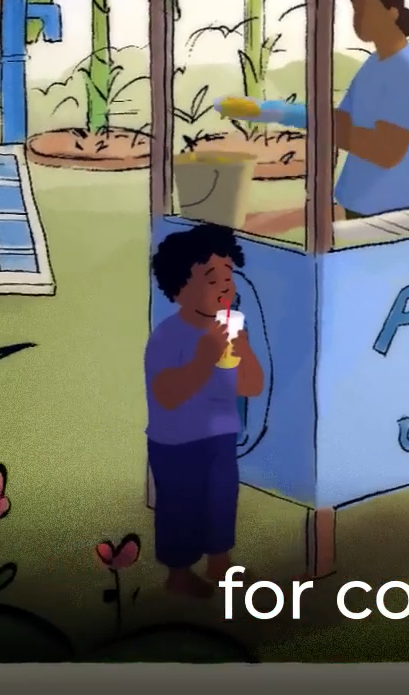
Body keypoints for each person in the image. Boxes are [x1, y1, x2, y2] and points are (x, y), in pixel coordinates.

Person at [144, 224, 265, 598]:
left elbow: (251, 386)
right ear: (179, 289)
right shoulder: (169, 336)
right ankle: (178, 574)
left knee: (220, 499)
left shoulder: (229, 331)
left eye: (228, 275)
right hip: (176, 442)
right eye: (211, 278)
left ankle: (220, 564)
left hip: (221, 435)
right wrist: (204, 357)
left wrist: (241, 349)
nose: (225, 286)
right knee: (180, 507)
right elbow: (167, 395)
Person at [333, 0, 409, 219]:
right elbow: (341, 120)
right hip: (360, 202)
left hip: (399, 208)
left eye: (367, 10)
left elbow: (385, 151)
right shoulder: (373, 64)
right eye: (356, 12)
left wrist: (320, 126)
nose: (359, 20)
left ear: (393, 11)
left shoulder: (408, 70)